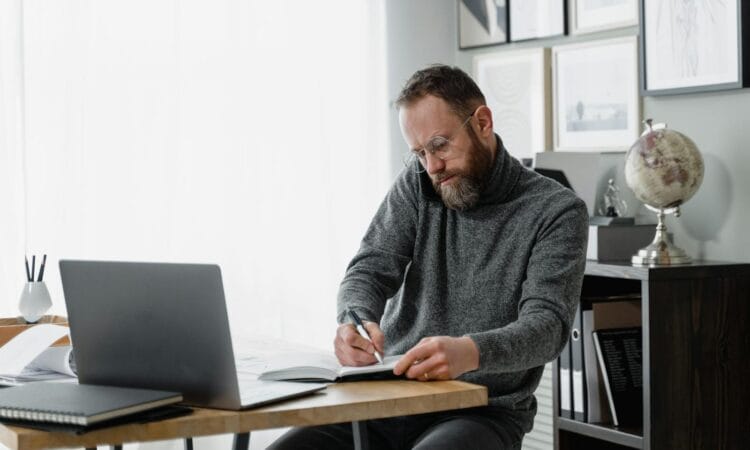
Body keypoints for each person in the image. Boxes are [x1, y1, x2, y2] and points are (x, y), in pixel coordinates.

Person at [269, 65, 588, 449]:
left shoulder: (556, 210)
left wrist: (469, 352)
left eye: (440, 145)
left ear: (483, 123)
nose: (432, 166)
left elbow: (548, 328)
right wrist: (353, 319)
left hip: (483, 410)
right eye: (419, 153)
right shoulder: (419, 182)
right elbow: (369, 269)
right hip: (390, 398)